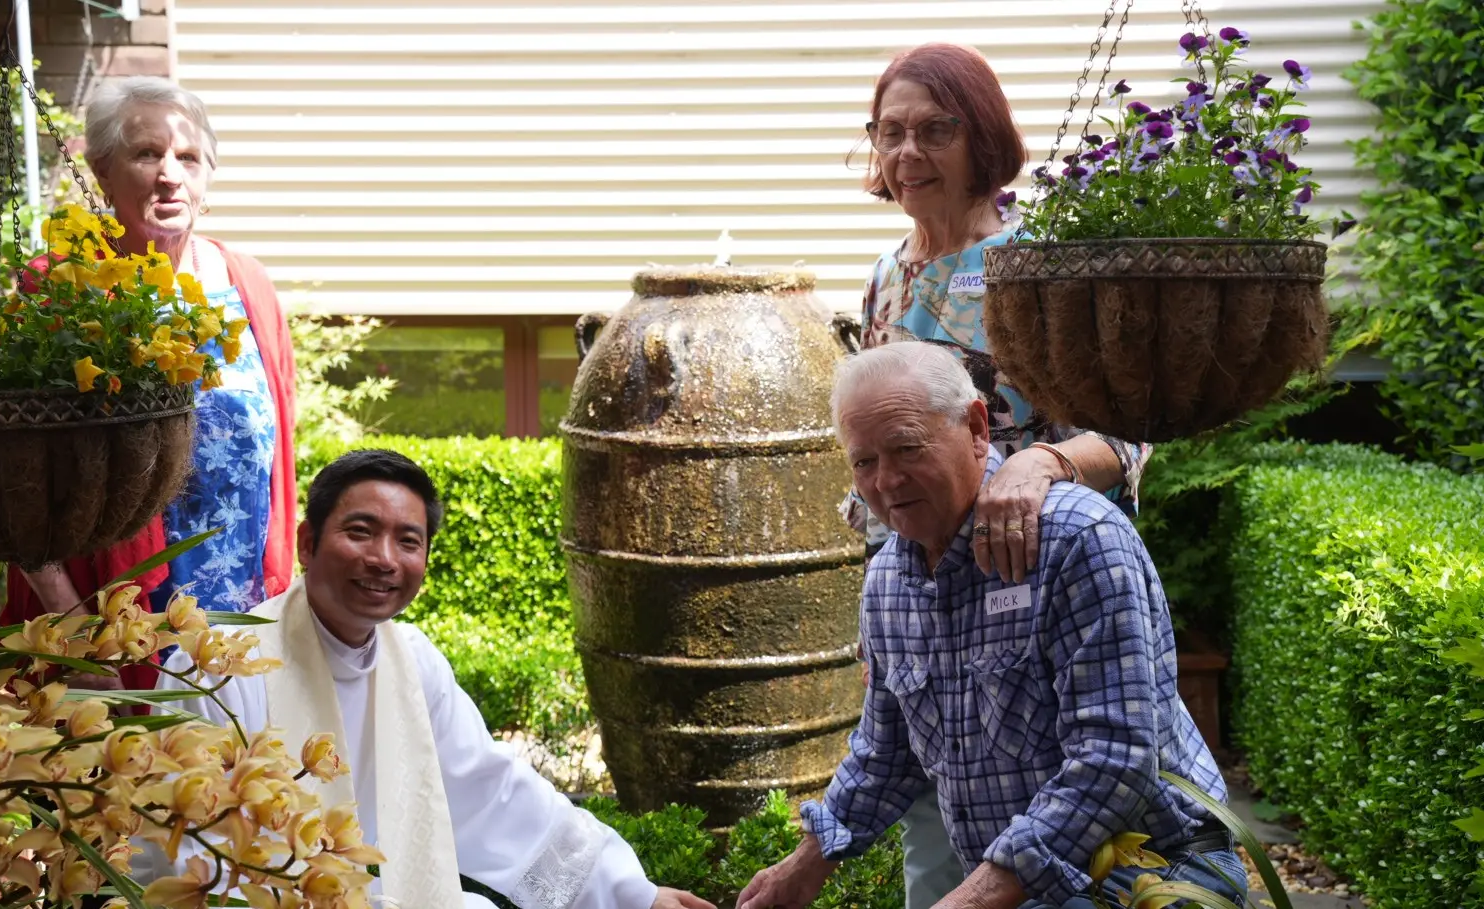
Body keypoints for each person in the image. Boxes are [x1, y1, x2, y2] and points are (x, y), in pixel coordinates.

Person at [739, 343, 1242, 909]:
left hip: (1151, 871)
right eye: (864, 462)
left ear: (977, 427)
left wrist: (971, 898)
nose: (886, 481)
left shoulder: (1075, 538)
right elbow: (887, 755)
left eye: (907, 448)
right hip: (1021, 884)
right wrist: (806, 863)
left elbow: (1114, 758)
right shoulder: (887, 580)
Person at [840, 44, 1153, 908]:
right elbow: (881, 457)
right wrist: (884, 622)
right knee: (935, 849)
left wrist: (1042, 462)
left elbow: (1133, 430)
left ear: (981, 137)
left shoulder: (1038, 262)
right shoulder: (884, 275)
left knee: (1071, 836)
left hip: (1042, 598)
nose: (908, 154)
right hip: (929, 610)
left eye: (934, 130)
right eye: (890, 132)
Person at [131, 449, 715, 909]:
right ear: (307, 544)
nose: (384, 558)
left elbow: (491, 791)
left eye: (408, 541)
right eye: (360, 531)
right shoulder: (219, 663)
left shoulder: (412, 660)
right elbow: (183, 851)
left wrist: (632, 896)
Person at [3, 77, 298, 687]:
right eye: (147, 154)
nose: (170, 174)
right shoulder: (62, 286)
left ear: (208, 174)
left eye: (187, 157)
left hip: (243, 626)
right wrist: (75, 629)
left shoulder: (249, 284)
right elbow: (12, 477)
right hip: (111, 629)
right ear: (102, 170)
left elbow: (278, 463)